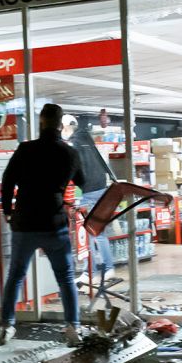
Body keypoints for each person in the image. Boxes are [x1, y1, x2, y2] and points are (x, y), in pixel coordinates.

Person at [0, 103, 86, 347]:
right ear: (61, 125)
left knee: (15, 276)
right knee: (66, 278)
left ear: (41, 123)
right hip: (54, 224)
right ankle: (73, 328)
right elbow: (83, 180)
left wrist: (8, 211)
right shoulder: (69, 152)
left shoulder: (25, 149)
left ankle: (6, 326)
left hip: (25, 223)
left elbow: (7, 181)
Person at [61, 113, 116, 286]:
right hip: (101, 189)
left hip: (89, 192)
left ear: (66, 127)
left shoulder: (75, 144)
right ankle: (99, 270)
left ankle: (98, 270)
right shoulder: (87, 139)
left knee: (90, 233)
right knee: (96, 233)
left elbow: (73, 169)